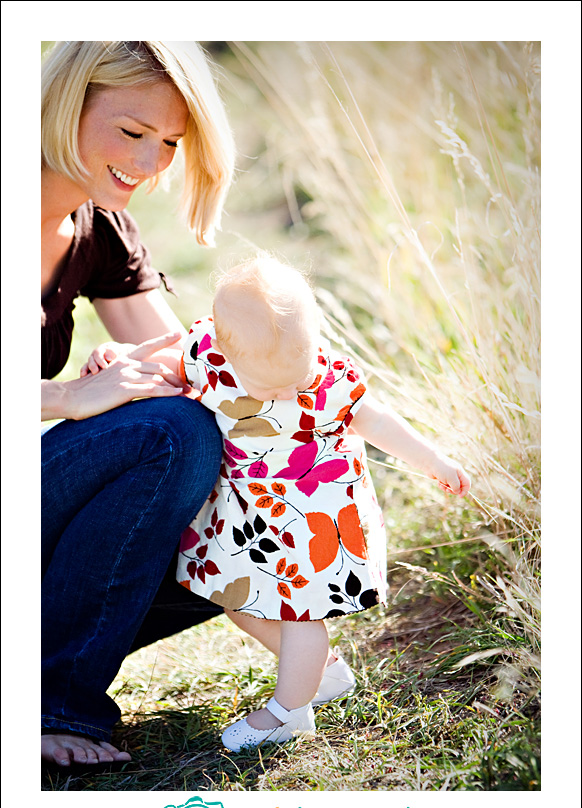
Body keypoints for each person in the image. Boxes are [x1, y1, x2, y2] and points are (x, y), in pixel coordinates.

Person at [88, 254, 470, 751]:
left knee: (301, 617)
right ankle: (325, 674)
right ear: (224, 350)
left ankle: (290, 712)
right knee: (235, 599)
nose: (291, 390)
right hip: (248, 522)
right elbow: (167, 363)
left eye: (300, 371)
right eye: (272, 385)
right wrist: (121, 354)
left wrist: (433, 459)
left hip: (316, 522)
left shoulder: (328, 378)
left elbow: (377, 422)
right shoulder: (209, 356)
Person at [41, 40, 235, 768]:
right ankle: (53, 703)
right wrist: (64, 395)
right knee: (167, 435)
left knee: (241, 524)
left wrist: (135, 365)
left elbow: (197, 376)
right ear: (67, 101)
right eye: (131, 132)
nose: (151, 163)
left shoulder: (101, 231)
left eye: (170, 144)